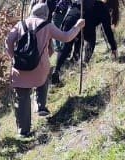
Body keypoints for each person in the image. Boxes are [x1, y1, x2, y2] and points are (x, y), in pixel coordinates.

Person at [6, 1, 86, 136]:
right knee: (44, 77)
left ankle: (23, 131)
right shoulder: (47, 25)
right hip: (39, 68)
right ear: (46, 14)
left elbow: (8, 41)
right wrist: (78, 26)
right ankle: (40, 105)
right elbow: (66, 38)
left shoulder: (20, 24)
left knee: (22, 98)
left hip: (19, 67)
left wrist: (13, 56)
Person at [51, 0, 116, 85]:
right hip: (85, 23)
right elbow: (107, 30)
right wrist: (113, 47)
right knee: (90, 41)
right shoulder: (102, 8)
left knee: (66, 46)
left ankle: (57, 70)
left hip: (71, 17)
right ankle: (85, 64)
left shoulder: (79, 2)